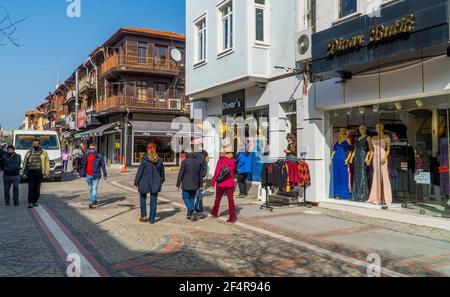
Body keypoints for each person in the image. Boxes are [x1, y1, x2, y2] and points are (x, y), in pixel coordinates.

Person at [134, 144, 165, 224]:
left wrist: (136, 181)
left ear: (147, 150)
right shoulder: (160, 160)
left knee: (143, 199)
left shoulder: (144, 160)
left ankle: (144, 216)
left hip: (144, 182)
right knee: (153, 201)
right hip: (155, 182)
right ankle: (152, 219)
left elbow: (139, 172)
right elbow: (162, 173)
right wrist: (161, 181)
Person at [211, 147, 237, 223]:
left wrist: (213, 181)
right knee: (231, 201)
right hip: (230, 184)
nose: (221, 152)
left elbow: (217, 171)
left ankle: (215, 213)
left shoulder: (221, 160)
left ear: (225, 153)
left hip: (221, 183)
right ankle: (232, 217)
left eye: (222, 151)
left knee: (218, 199)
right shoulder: (233, 161)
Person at [176, 152, 204, 222]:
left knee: (185, 197)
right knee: (192, 198)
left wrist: (178, 183)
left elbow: (181, 173)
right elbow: (201, 175)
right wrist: (201, 185)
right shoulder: (199, 162)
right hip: (195, 184)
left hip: (186, 183)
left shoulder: (185, 162)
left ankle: (191, 208)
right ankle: (189, 215)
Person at [23, 138, 50, 209]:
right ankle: (30, 202)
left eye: (37, 144)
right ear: (32, 144)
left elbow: (47, 162)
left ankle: (35, 201)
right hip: (31, 172)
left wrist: (47, 171)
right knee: (31, 187)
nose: (36, 145)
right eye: (34, 144)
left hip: (39, 172)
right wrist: (24, 172)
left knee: (37, 188)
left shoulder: (44, 152)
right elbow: (25, 162)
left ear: (39, 144)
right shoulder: (29, 152)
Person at [80, 144, 107, 209]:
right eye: (90, 149)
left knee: (94, 188)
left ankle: (91, 202)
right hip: (88, 175)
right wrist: (81, 172)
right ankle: (94, 200)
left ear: (95, 149)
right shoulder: (87, 155)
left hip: (96, 175)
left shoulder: (99, 156)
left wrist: (105, 174)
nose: (92, 150)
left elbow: (103, 165)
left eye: (93, 149)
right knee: (90, 189)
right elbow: (83, 164)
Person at [192, 139, 209, 214]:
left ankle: (197, 207)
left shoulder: (203, 152)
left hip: (198, 174)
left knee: (197, 191)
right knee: (197, 191)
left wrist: (203, 173)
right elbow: (206, 162)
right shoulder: (203, 152)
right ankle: (198, 207)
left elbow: (206, 162)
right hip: (197, 174)